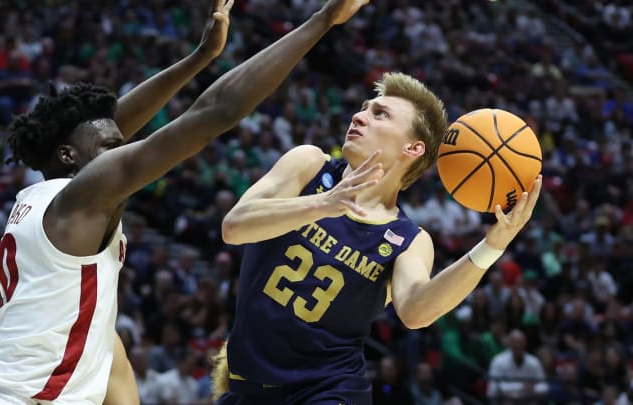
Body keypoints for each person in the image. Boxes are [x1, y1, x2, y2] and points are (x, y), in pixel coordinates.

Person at [213, 19, 543, 405]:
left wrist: (493, 246)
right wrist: (323, 203)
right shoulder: (308, 166)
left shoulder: (409, 240)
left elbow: (416, 311)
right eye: (364, 108)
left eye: (380, 114)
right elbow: (234, 227)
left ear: (413, 149)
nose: (359, 116)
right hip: (246, 389)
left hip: (329, 390)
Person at [0, 0, 235, 403]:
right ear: (69, 154)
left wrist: (200, 57)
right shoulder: (76, 200)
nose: (119, 146)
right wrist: (321, 21)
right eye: (109, 146)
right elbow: (216, 112)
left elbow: (109, 129)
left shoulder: (42, 194)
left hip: (6, 376)